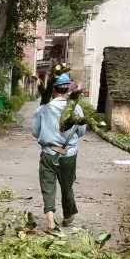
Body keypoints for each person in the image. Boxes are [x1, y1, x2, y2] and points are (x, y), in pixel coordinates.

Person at [31, 72, 86, 233]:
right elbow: (81, 132)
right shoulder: (77, 108)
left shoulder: (44, 109)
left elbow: (35, 132)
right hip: (69, 154)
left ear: (54, 90)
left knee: (48, 186)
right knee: (67, 186)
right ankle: (68, 216)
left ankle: (50, 221)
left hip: (49, 153)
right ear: (68, 90)